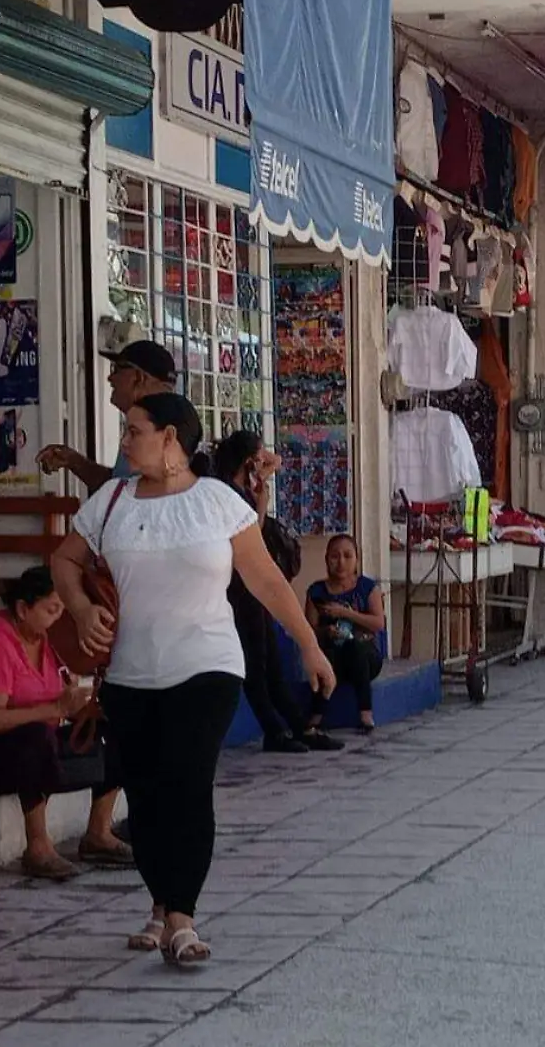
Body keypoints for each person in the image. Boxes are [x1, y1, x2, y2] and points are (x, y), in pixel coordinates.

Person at [52, 393, 336, 969]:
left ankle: (182, 917)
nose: (126, 441)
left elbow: (266, 581)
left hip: (207, 667)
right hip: (131, 674)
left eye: (135, 431)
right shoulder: (110, 502)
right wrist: (81, 610)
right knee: (148, 795)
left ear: (172, 439)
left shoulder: (216, 503)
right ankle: (161, 903)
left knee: (187, 783)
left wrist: (309, 646)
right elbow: (64, 561)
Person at [0, 566, 129, 881]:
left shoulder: (46, 645)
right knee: (35, 739)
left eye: (61, 610)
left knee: (116, 727)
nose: (57, 618)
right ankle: (37, 846)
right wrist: (52, 707)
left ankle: (98, 832)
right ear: (23, 608)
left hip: (40, 741)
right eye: (51, 609)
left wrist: (79, 702)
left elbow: (61, 701)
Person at [211, 429, 342, 753]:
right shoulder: (227, 492)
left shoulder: (245, 485)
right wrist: (262, 504)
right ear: (245, 462)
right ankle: (274, 729)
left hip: (253, 589)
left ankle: (299, 727)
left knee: (271, 661)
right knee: (256, 664)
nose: (263, 463)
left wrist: (259, 467)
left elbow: (277, 460)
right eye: (256, 459)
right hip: (239, 588)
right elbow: (248, 538)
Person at [37, 339, 177, 489]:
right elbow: (118, 488)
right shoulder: (150, 421)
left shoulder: (160, 428)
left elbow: (137, 497)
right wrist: (73, 460)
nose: (110, 378)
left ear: (138, 377)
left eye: (116, 370)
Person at [305, 534, 386, 733]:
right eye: (335, 556)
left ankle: (365, 713)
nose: (341, 562)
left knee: (356, 648)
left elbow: (378, 623)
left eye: (347, 556)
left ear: (357, 560)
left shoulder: (367, 588)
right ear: (326, 560)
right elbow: (309, 630)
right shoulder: (316, 592)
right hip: (333, 656)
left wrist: (346, 613)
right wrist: (326, 632)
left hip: (365, 658)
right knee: (326, 658)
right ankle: (317, 715)